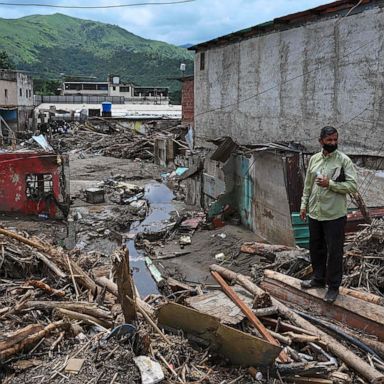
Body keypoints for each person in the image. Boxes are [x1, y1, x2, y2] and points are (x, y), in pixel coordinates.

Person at [300, 126, 357, 303]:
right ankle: (318, 279)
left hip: (334, 216)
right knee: (316, 248)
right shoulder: (314, 160)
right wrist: (304, 205)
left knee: (334, 252)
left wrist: (330, 184)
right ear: (321, 141)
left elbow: (352, 186)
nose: (333, 143)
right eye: (329, 140)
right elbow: (308, 185)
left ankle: (333, 287)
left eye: (335, 140)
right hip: (315, 213)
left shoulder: (343, 161)